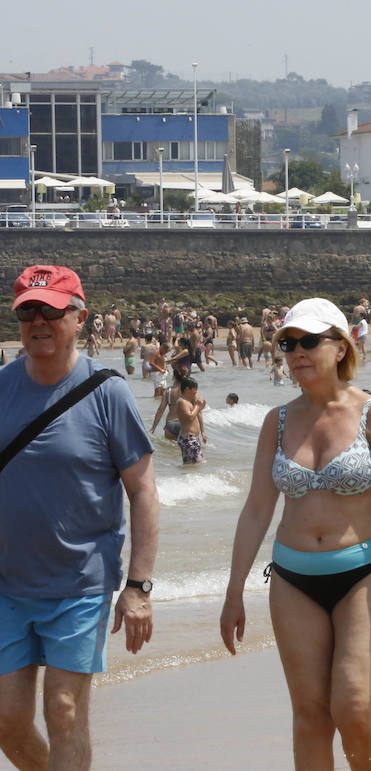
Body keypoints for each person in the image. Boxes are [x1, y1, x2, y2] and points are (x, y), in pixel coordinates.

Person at [219, 297, 371, 769]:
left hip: (366, 574)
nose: (297, 352)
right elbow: (256, 509)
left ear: (340, 347)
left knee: (354, 708)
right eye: (288, 344)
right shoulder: (278, 421)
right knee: (310, 715)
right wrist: (233, 592)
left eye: (309, 341)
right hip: (292, 579)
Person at [0, 265, 159, 770]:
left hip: (81, 583)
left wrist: (138, 587)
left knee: (64, 709)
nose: (38, 321)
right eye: (28, 310)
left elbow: (144, 492)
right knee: (7, 720)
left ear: (80, 317)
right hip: (6, 584)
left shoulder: (107, 392)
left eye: (51, 310)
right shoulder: (0, 388)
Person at [175, 376, 207, 465]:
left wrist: (202, 432)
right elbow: (190, 417)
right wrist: (197, 406)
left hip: (192, 438)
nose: (196, 391)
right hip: (188, 439)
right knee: (198, 465)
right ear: (187, 389)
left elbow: (196, 415)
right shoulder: (182, 402)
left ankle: (187, 479)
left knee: (190, 466)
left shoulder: (189, 402)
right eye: (194, 389)